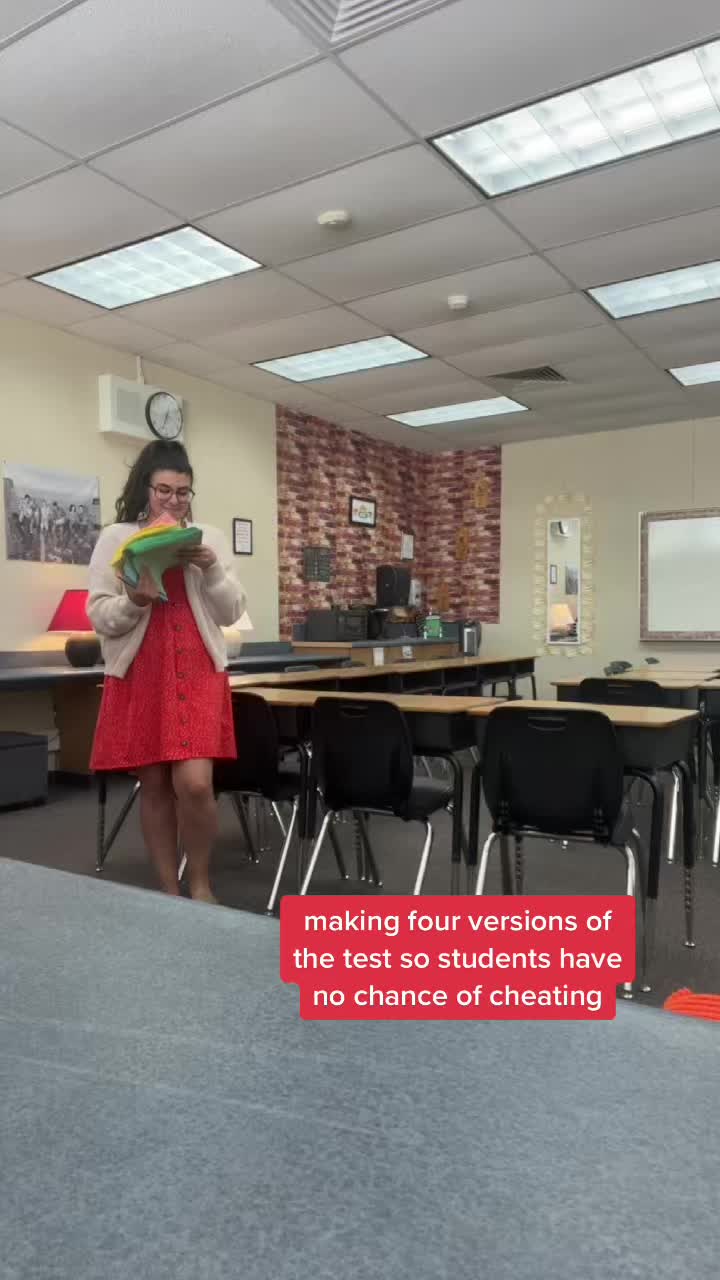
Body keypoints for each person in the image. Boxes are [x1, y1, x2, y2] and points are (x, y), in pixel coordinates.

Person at [88, 440, 246, 903]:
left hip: (197, 668)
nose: (174, 501)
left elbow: (232, 611)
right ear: (146, 488)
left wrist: (212, 571)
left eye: (182, 492)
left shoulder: (209, 537)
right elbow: (99, 615)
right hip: (142, 671)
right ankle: (169, 891)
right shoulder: (116, 537)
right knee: (154, 785)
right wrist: (134, 600)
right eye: (164, 491)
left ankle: (200, 883)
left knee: (195, 784)